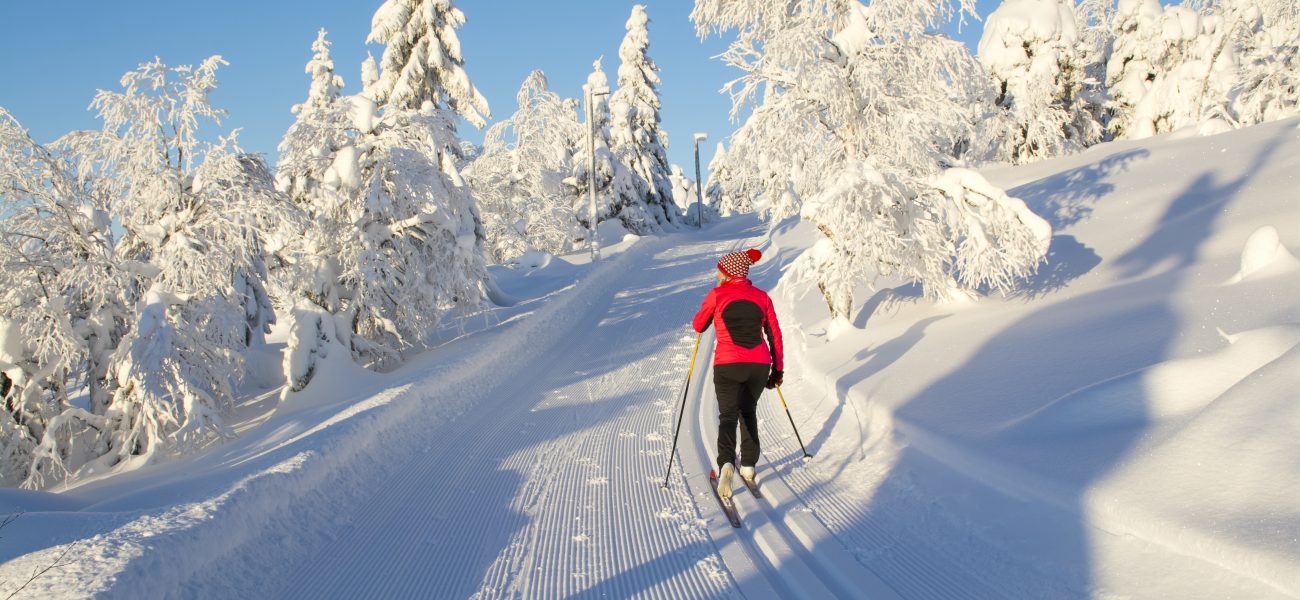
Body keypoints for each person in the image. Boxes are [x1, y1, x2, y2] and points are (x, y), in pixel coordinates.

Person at [692, 248, 784, 498]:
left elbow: (699, 324)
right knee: (748, 411)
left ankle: (726, 465)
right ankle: (749, 466)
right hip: (758, 365)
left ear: (727, 273)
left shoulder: (717, 294)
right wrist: (778, 370)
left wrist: (712, 311)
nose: (717, 274)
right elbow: (774, 335)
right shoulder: (762, 297)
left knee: (728, 415)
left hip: (728, 364)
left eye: (719, 271)